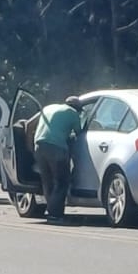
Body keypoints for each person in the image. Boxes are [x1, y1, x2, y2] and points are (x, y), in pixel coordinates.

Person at [32, 96, 83, 224]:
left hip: (39, 146)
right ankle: (55, 215)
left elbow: (28, 124)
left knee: (47, 180)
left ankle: (51, 211)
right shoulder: (73, 113)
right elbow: (79, 133)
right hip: (56, 148)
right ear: (78, 108)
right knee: (62, 182)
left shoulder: (49, 108)